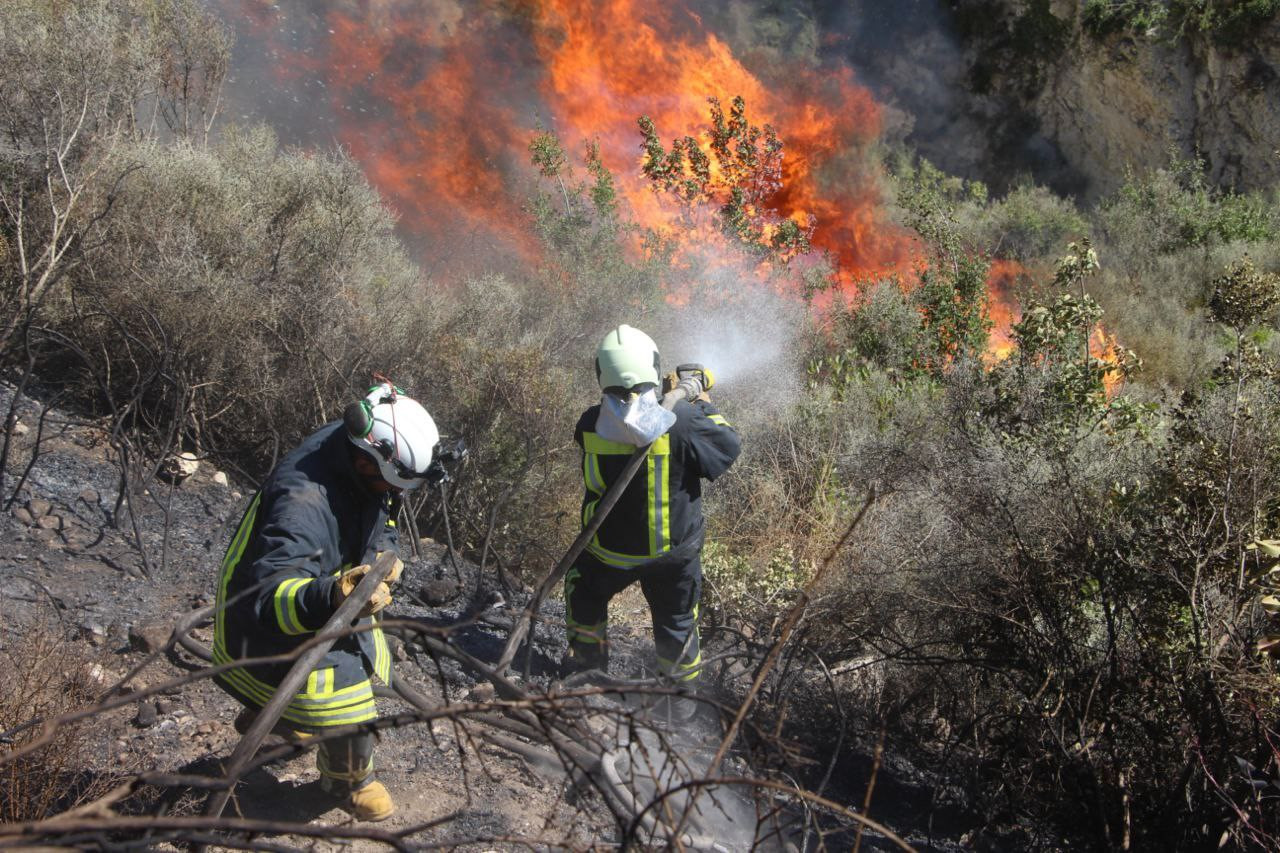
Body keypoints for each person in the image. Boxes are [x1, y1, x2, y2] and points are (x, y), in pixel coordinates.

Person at [212, 382, 442, 821]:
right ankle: (348, 782)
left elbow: (384, 509)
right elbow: (269, 600)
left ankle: (284, 719)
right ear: (364, 460)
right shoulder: (302, 503)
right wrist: (336, 595)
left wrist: (381, 556)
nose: (397, 494)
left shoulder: (351, 450)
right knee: (351, 699)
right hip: (270, 620)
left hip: (317, 599)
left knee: (343, 666)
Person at [561, 325, 741, 712]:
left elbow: (627, 422)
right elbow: (728, 447)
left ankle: (587, 678)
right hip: (672, 554)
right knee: (677, 620)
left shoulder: (589, 423)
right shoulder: (684, 421)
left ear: (600, 374)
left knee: (583, 591)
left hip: (608, 552)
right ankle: (679, 706)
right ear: (654, 369)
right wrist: (701, 402)